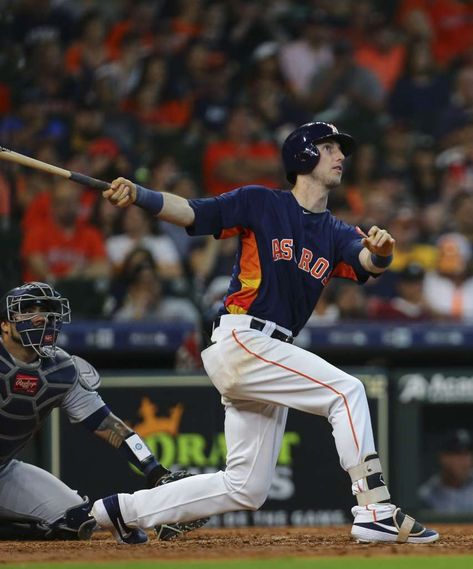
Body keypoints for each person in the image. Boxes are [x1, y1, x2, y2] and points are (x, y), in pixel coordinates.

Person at [91, 121, 439, 544]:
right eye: (329, 147)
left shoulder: (334, 230)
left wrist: (382, 253)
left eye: (339, 150)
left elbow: (365, 262)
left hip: (266, 350)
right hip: (244, 338)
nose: (340, 156)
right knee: (346, 392)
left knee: (246, 487)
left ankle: (117, 511)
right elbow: (195, 212)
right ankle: (374, 508)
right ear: (304, 155)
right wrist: (141, 196)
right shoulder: (260, 202)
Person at [0, 281, 206, 543]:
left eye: (48, 310)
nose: (41, 317)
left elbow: (108, 425)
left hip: (3, 469)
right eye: (28, 310)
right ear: (4, 324)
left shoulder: (61, 370)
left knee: (76, 522)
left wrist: (156, 471)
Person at [418, 429, 473, 513]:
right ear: (443, 458)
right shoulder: (427, 495)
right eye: (458, 455)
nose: (465, 462)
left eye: (467, 454)